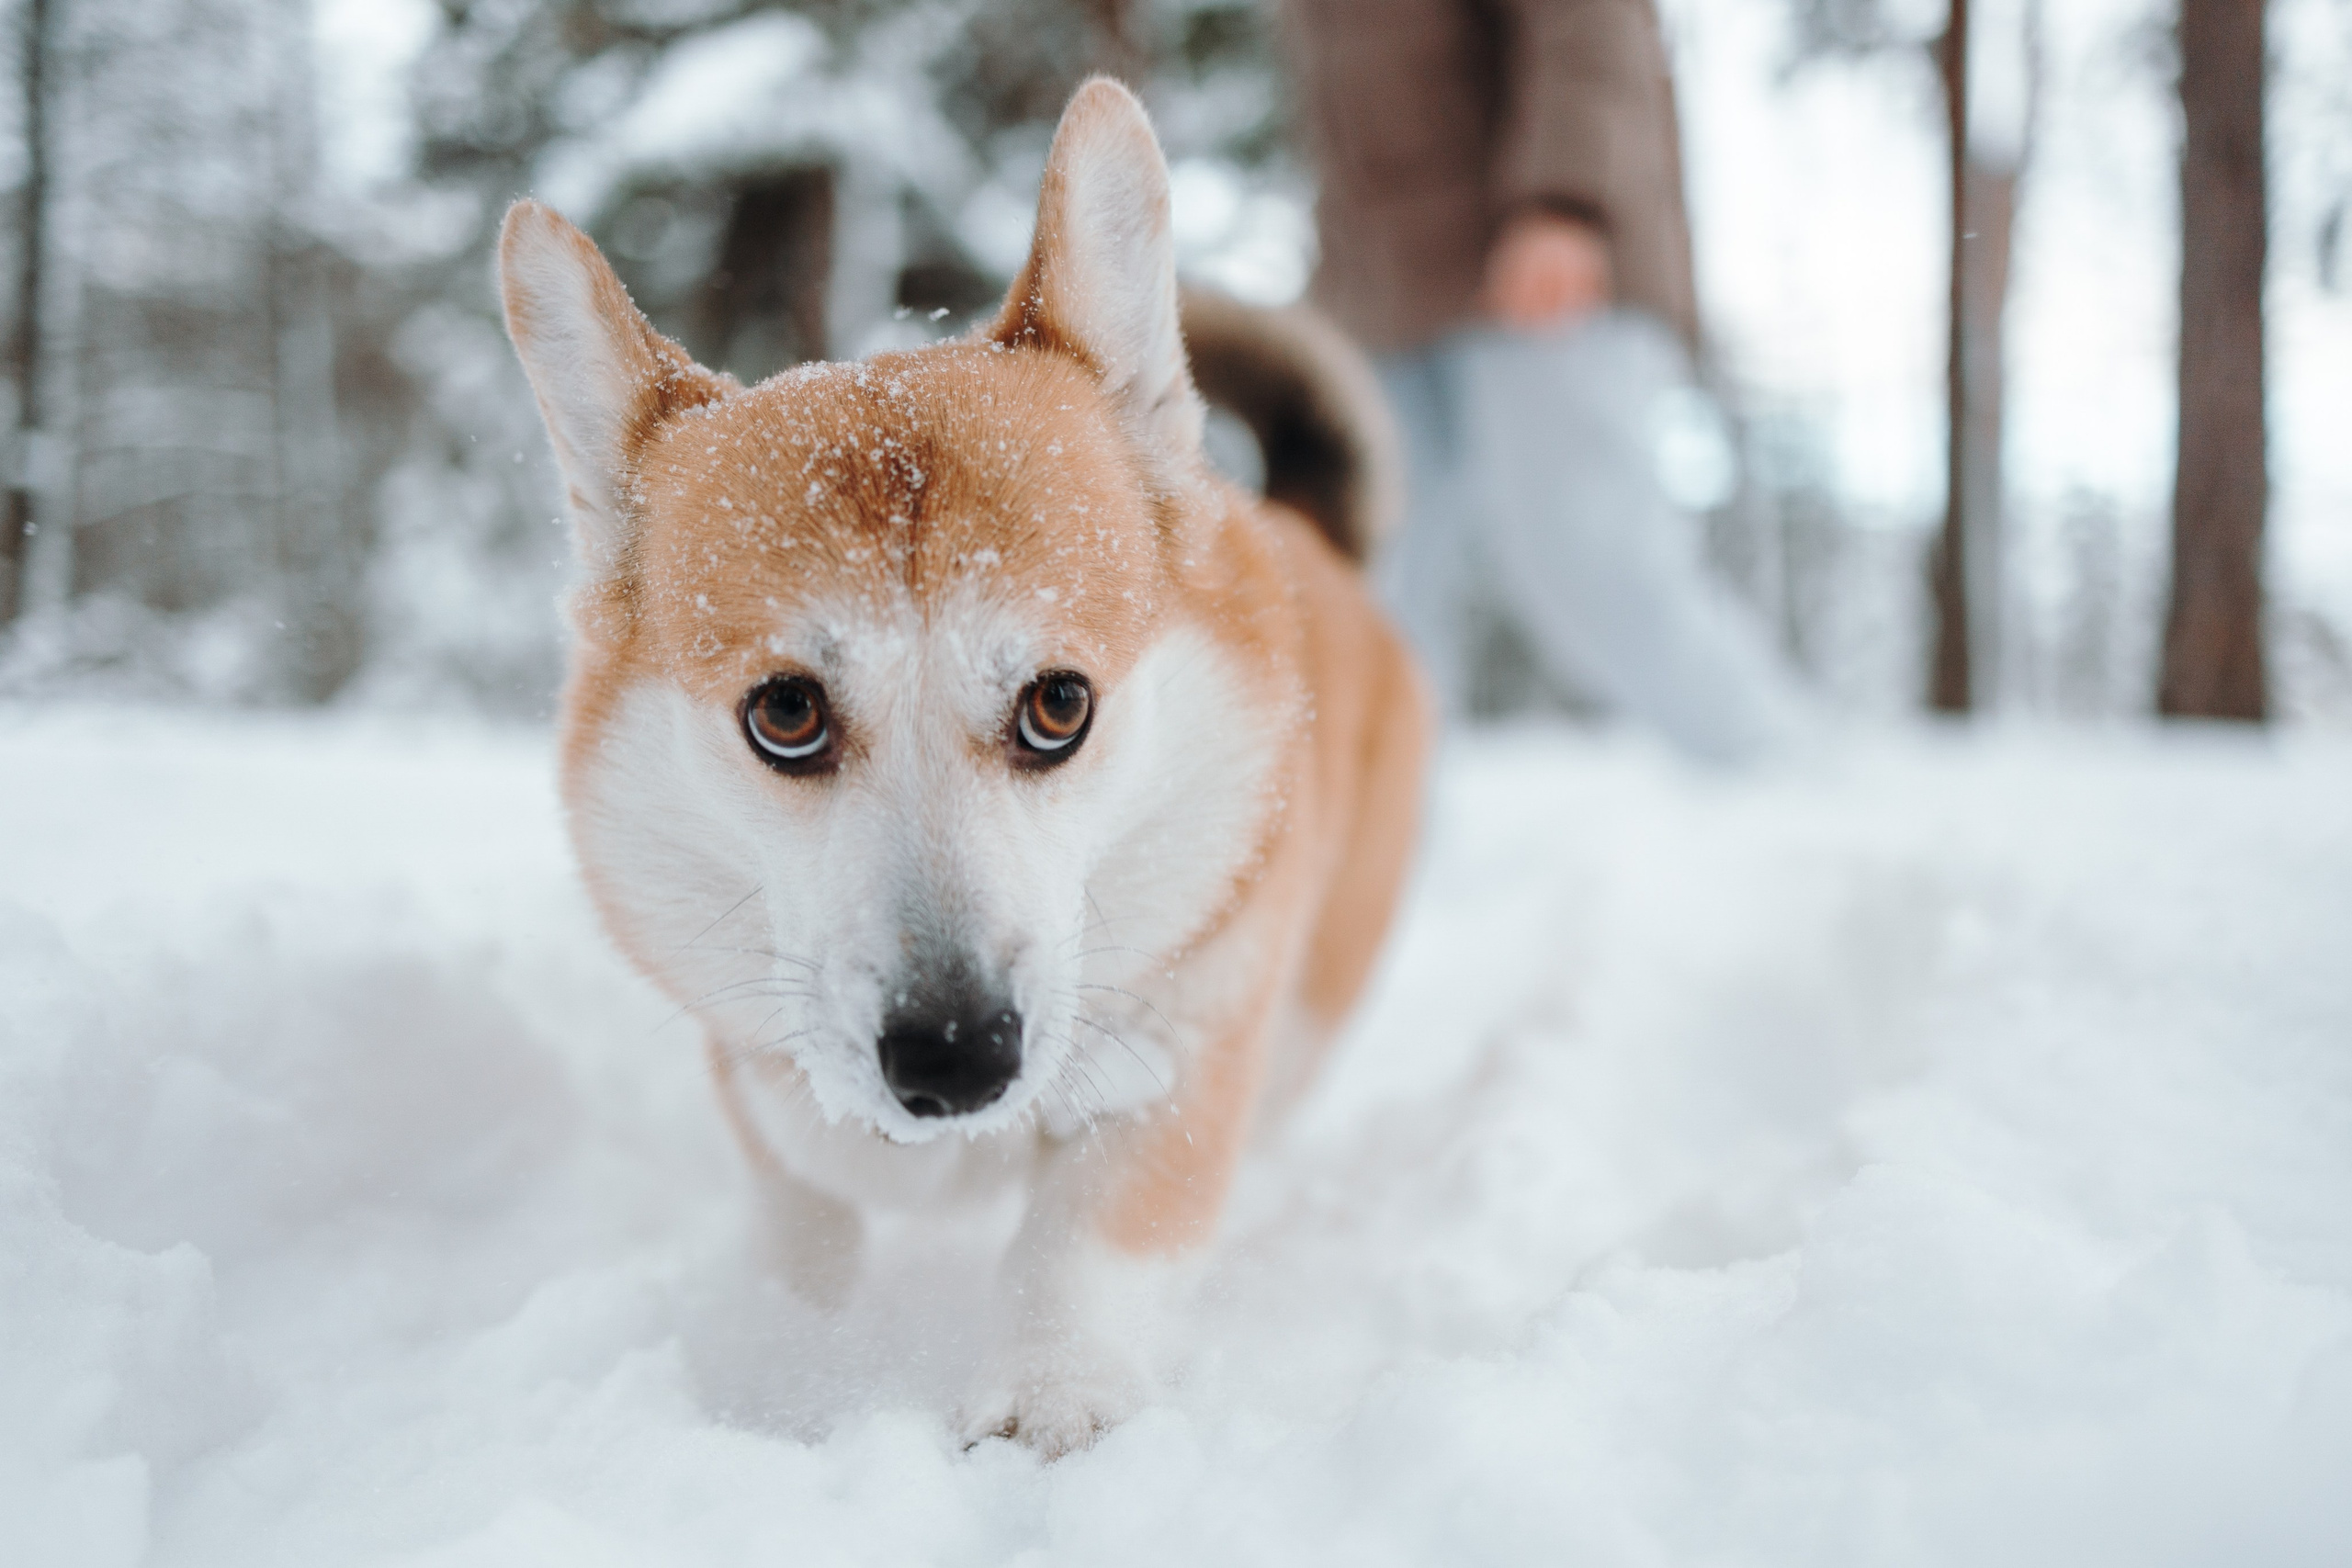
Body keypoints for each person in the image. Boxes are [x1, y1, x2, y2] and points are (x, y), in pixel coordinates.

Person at [1279, 0, 1805, 761]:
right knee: (1366, 590)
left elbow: (1587, 21)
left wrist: (1565, 199)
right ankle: (1388, 855)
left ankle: (1780, 770)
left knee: (1593, 563)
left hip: (1531, 250)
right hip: (1377, 288)